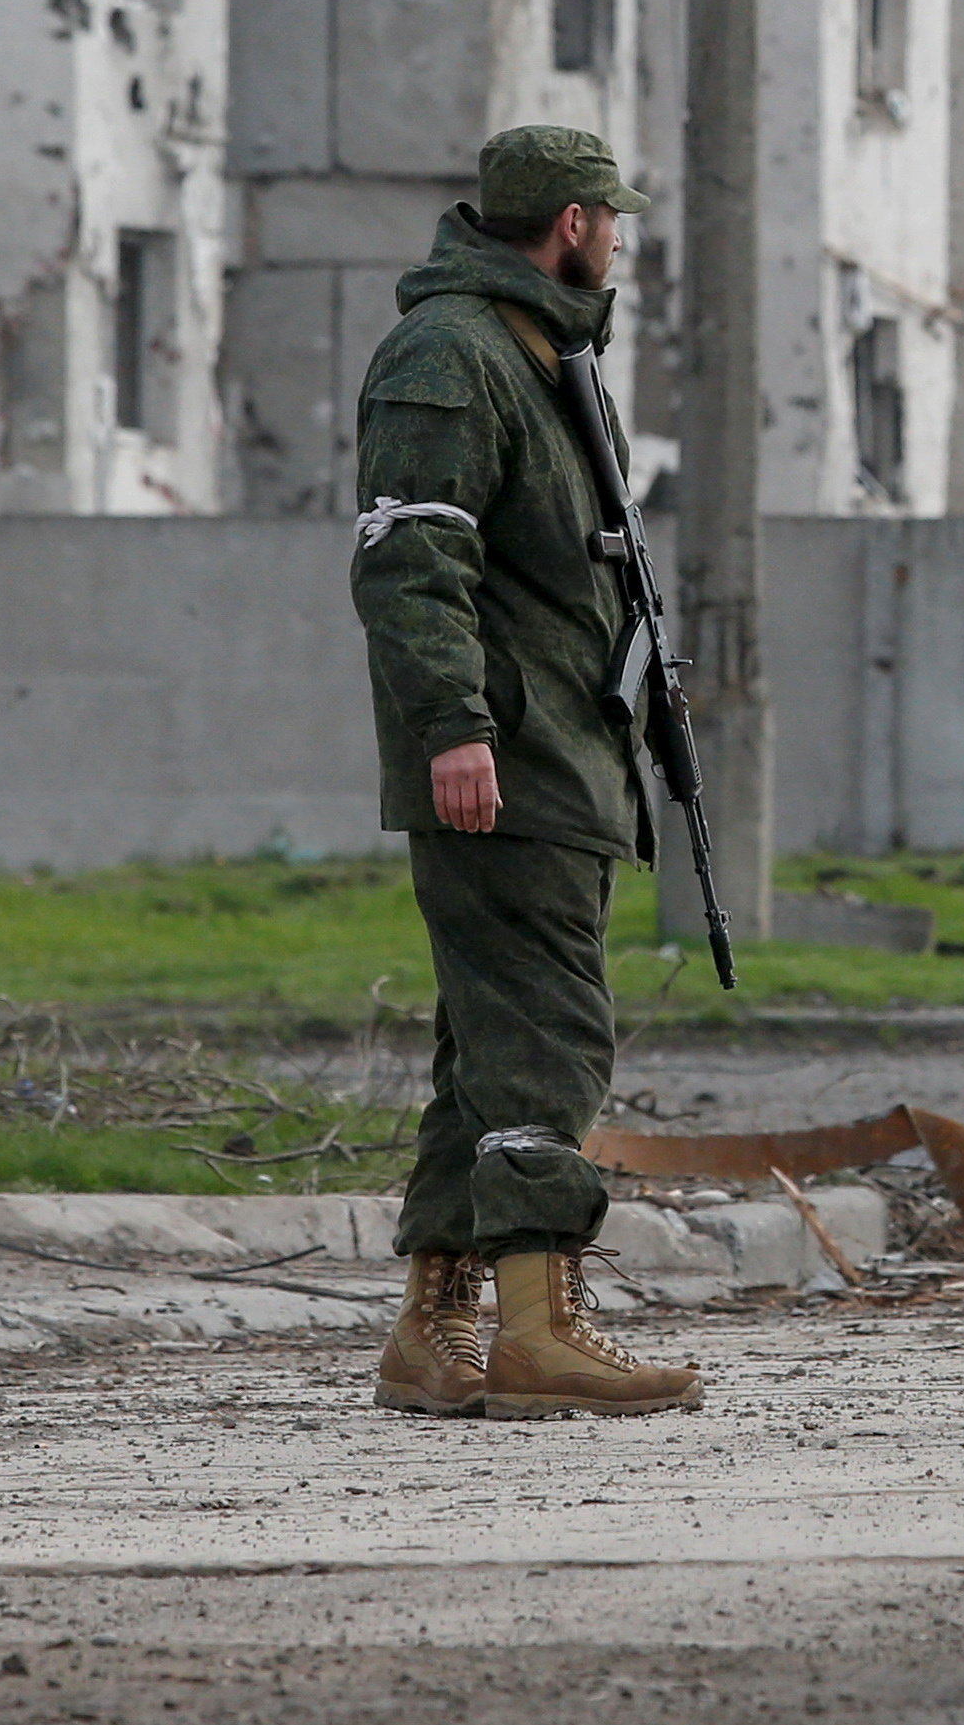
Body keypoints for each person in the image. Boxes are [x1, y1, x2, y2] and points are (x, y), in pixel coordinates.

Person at [347, 125, 703, 1419]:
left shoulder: (542, 351)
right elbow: (409, 561)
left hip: (555, 748)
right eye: (611, 219)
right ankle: (540, 1325)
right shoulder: (453, 354)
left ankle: (430, 1326)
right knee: (549, 1036)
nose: (618, 240)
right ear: (570, 223)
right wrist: (454, 727)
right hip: (506, 761)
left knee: (487, 1049)